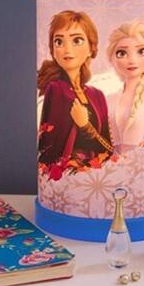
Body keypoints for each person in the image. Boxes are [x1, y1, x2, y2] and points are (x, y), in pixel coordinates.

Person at [37, 10, 113, 180]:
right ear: (53, 50)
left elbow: (108, 149)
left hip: (97, 176)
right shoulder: (55, 89)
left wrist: (85, 125)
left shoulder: (97, 95)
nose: (67, 49)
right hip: (66, 177)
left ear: (91, 48)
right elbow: (48, 147)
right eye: (59, 41)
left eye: (77, 40)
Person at [106, 19, 144, 153]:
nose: (132, 60)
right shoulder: (109, 99)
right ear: (112, 59)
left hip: (140, 161)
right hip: (110, 162)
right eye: (122, 53)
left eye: (141, 51)